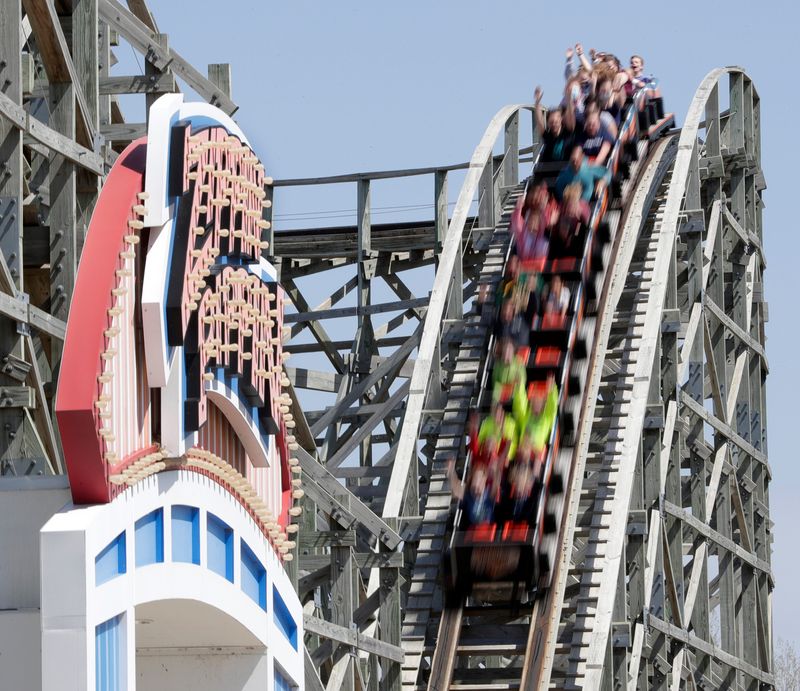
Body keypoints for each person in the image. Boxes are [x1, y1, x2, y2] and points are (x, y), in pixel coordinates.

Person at [448, 460, 496, 525]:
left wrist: (495, 470)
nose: (477, 482)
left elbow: (497, 480)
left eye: (480, 479)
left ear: (484, 479)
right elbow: (456, 488)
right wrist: (451, 471)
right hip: (474, 528)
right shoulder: (469, 494)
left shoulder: (490, 493)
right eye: (475, 479)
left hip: (489, 528)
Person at [534, 87, 575, 163]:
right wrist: (537, 102)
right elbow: (539, 121)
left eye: (556, 122)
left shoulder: (567, 132)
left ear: (561, 120)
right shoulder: (548, 136)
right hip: (550, 168)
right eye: (551, 122)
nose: (554, 124)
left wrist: (569, 99)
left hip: (565, 167)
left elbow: (571, 117)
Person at [551, 183, 590, 257]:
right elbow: (557, 218)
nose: (570, 203)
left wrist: (572, 236)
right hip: (563, 232)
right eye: (568, 199)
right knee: (563, 223)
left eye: (573, 198)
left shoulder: (583, 205)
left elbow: (584, 223)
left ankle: (571, 247)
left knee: (579, 228)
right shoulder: (562, 206)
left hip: (577, 232)